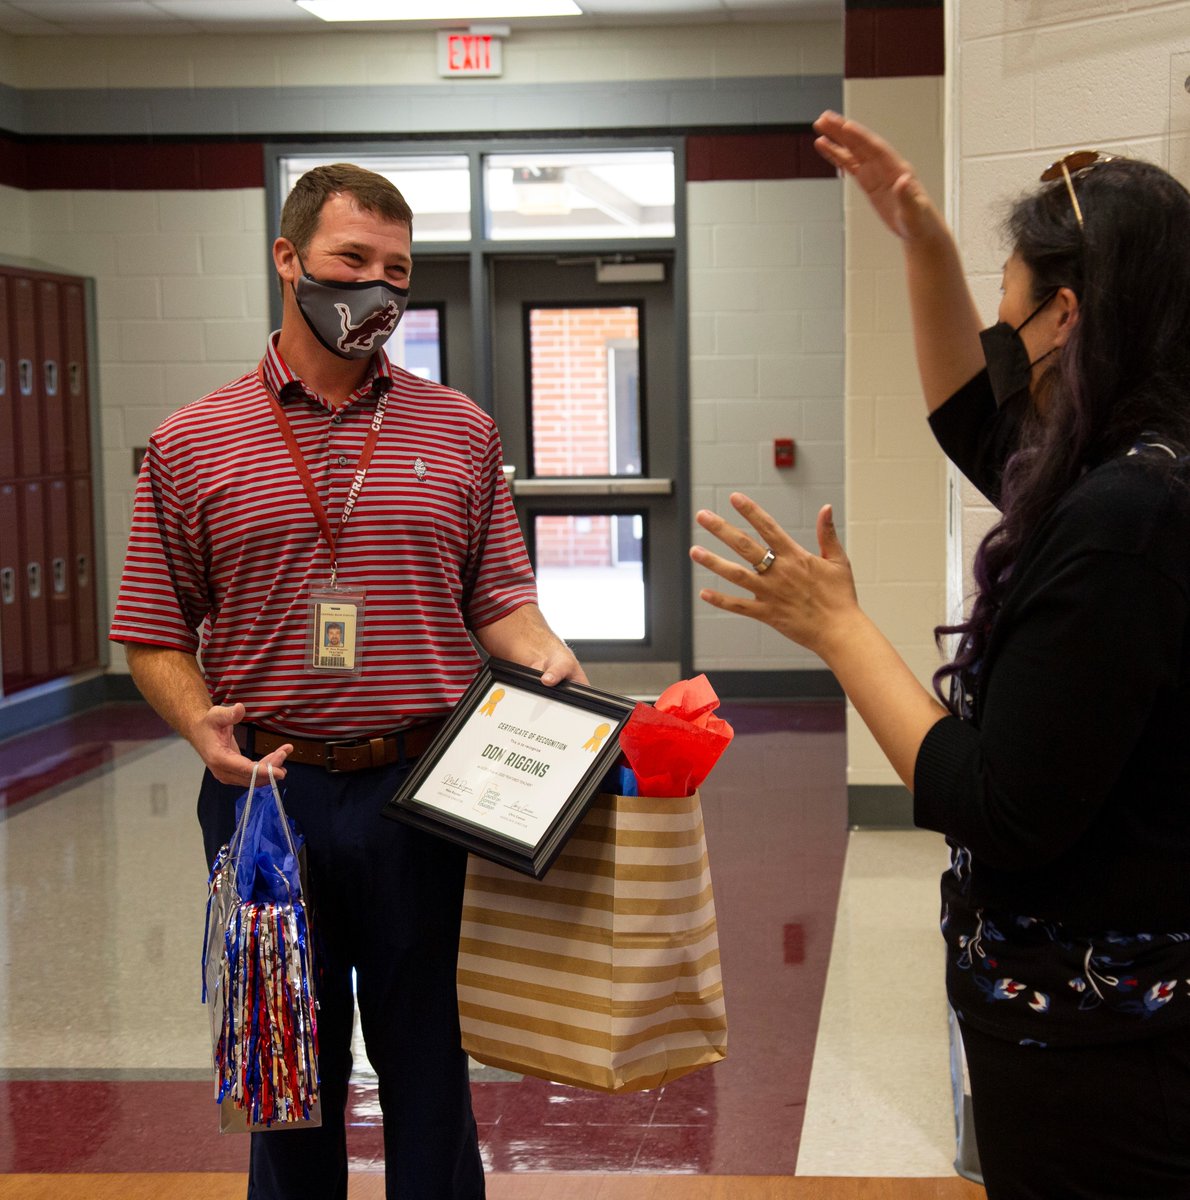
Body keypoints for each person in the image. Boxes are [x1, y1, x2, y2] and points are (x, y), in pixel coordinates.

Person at [690, 111, 1190, 1198]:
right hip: (1082, 1031)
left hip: (1106, 1054)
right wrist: (920, 239)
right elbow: (974, 412)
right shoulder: (1117, 470)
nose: (997, 333)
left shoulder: (1126, 515)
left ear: (1066, 316)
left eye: (1006, 302)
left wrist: (836, 628)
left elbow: (990, 798)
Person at [110, 162, 585, 1200]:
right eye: (352, 261)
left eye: (398, 270)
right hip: (265, 798)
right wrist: (200, 729)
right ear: (288, 260)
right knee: (285, 1074)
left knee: (429, 1060)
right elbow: (150, 632)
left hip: (425, 789)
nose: (377, 287)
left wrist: (544, 651)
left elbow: (499, 596)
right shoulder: (193, 443)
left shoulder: (458, 430)